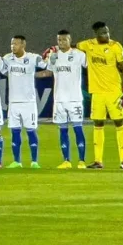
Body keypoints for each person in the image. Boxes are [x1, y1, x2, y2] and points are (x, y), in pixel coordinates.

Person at [75, 22, 123, 169]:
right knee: (98, 124)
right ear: (96, 34)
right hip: (97, 93)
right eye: (103, 33)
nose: (107, 35)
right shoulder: (88, 45)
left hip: (114, 93)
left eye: (107, 32)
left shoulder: (116, 47)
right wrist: (55, 49)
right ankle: (98, 161)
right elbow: (72, 47)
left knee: (119, 123)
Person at [40, 30, 88, 169]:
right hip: (59, 99)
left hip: (75, 99)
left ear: (70, 40)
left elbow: (90, 66)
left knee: (78, 129)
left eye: (64, 40)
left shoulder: (79, 55)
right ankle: (66, 160)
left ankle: (81, 161)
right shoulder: (53, 56)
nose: (61, 42)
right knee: (63, 130)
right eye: (59, 40)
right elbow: (49, 71)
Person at [1, 35, 46, 168]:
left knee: (31, 131)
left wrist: (51, 58)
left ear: (23, 45)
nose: (12, 46)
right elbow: (2, 70)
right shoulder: (7, 58)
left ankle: (34, 161)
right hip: (14, 103)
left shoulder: (32, 58)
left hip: (28, 103)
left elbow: (46, 65)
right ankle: (17, 161)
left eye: (15, 44)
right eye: (11, 44)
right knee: (15, 131)